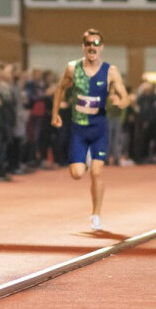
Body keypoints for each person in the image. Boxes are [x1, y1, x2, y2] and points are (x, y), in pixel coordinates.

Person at [50, 29, 131, 231]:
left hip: (99, 127)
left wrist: (119, 103)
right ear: (83, 47)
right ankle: (83, 160)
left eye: (96, 44)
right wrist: (55, 113)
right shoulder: (72, 68)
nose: (92, 48)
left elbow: (126, 97)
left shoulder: (110, 71)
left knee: (96, 172)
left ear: (101, 47)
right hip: (79, 128)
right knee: (77, 174)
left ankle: (96, 213)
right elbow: (60, 88)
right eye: (88, 44)